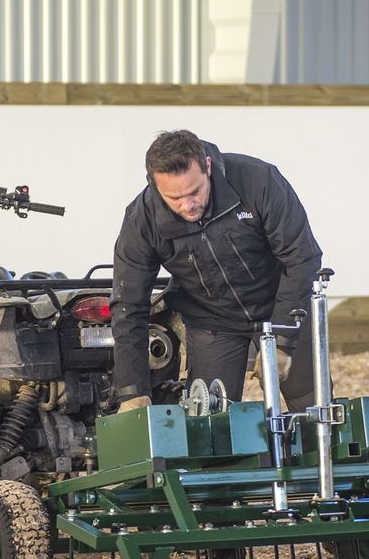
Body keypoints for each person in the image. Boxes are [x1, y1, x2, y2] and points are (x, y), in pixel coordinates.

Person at [111, 129, 322, 414]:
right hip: (212, 321)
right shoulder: (141, 219)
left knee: (313, 410)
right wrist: (132, 391)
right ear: (155, 184)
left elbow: (302, 258)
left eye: (195, 191)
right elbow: (128, 304)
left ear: (208, 166)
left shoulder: (258, 181)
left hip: (280, 306)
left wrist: (284, 339)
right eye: (174, 198)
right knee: (209, 424)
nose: (188, 205)